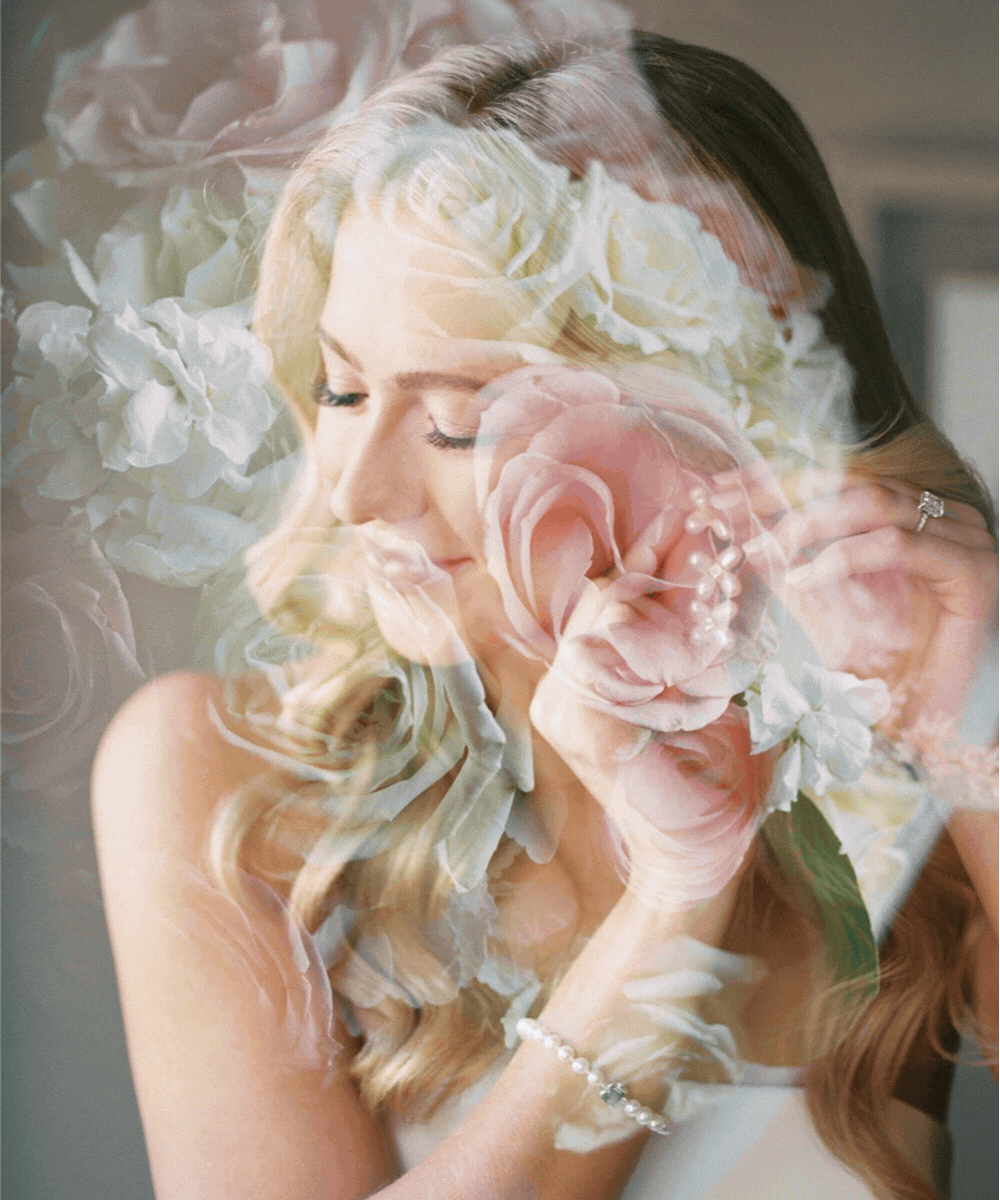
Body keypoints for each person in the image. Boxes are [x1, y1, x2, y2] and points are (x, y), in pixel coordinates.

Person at [91, 31, 998, 1200]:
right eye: (344, 388)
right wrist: (675, 898)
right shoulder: (224, 776)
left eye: (459, 417)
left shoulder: (894, 740)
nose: (355, 491)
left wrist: (968, 714)